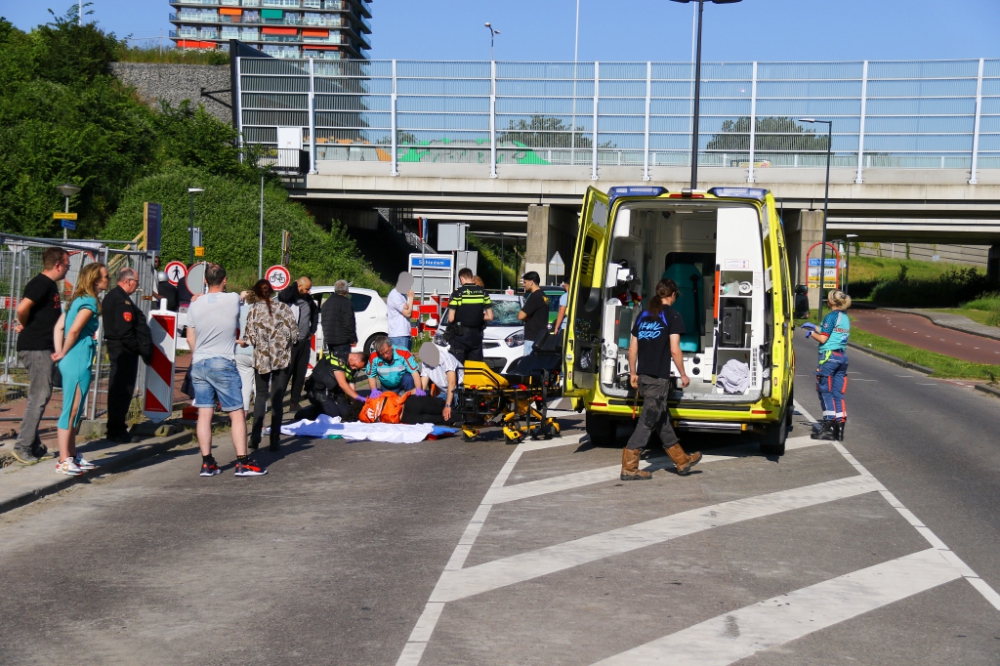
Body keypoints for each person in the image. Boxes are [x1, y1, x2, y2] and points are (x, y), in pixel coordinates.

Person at [186, 264, 265, 477]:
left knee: (204, 413)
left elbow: (190, 336)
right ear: (225, 280)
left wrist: (199, 355)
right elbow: (245, 295)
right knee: (236, 413)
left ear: (204, 281)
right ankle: (242, 462)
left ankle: (207, 463)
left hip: (200, 363)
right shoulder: (231, 299)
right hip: (223, 362)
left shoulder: (195, 305)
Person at [620, 279, 702, 480]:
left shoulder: (643, 315)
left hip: (645, 378)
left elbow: (632, 349)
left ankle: (682, 461)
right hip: (658, 379)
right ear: (673, 295)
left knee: (662, 421)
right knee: (647, 422)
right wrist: (683, 373)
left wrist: (633, 373)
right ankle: (629, 468)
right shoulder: (673, 316)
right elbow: (675, 349)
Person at [51, 263, 110, 476]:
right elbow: (74, 330)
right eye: (106, 276)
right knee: (72, 409)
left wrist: (60, 352)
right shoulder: (90, 303)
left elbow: (59, 327)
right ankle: (63, 459)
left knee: (76, 410)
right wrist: (63, 352)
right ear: (95, 280)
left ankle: (73, 455)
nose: (108, 279)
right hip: (78, 358)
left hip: (75, 357)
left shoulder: (76, 300)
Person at [12, 246, 69, 464]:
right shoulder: (41, 283)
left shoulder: (49, 285)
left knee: (40, 394)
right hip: (36, 348)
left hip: (42, 347)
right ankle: (23, 446)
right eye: (66, 264)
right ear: (57, 265)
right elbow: (21, 308)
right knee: (40, 395)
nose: (68, 269)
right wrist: (26, 325)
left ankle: (32, 443)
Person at [244, 280, 299, 452]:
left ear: (256, 293)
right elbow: (295, 335)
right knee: (277, 399)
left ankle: (255, 436)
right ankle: (275, 439)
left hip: (262, 360)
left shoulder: (253, 310)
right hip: (281, 360)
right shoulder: (285, 309)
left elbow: (250, 338)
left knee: (260, 396)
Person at [102, 267, 154, 443]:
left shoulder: (113, 296)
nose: (137, 286)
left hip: (119, 349)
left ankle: (116, 429)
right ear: (128, 281)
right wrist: (137, 348)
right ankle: (117, 431)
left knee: (119, 391)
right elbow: (124, 332)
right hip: (123, 351)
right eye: (136, 282)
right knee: (122, 391)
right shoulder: (120, 300)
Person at [802, 289, 852, 441]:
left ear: (830, 301)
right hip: (842, 357)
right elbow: (830, 332)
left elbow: (823, 338)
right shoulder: (845, 317)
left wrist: (812, 334)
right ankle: (839, 430)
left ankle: (828, 429)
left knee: (825, 392)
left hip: (828, 357)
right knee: (838, 394)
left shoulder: (830, 316)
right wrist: (815, 327)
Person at [278, 275, 318, 410]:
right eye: (307, 289)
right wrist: (294, 286)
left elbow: (314, 313)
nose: (309, 292)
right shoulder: (290, 297)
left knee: (300, 374)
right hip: (290, 343)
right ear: (299, 286)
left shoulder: (308, 299)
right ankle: (278, 402)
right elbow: (282, 297)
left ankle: (294, 402)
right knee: (286, 373)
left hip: (304, 341)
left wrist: (312, 330)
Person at [446, 268, 493, 364]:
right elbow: (490, 317)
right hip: (476, 335)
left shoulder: (457, 293)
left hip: (460, 336)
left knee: (457, 366)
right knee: (475, 367)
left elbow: (451, 318)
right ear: (471, 277)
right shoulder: (483, 293)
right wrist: (476, 315)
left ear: (461, 278)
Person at [406, 341, 460, 425]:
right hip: (444, 392)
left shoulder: (446, 358)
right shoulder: (425, 363)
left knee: (447, 410)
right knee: (431, 408)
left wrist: (447, 406)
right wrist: (405, 395)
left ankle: (456, 417)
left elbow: (452, 383)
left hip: (458, 389)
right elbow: (421, 387)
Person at [305, 352, 367, 419]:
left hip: (334, 392)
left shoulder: (353, 368)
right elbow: (342, 384)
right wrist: (359, 397)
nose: (354, 368)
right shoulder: (338, 359)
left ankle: (326, 407)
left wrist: (354, 405)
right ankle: (312, 412)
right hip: (318, 390)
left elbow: (351, 387)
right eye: (355, 365)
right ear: (355, 357)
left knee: (346, 414)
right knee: (333, 416)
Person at [321, 279, 357, 362]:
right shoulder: (345, 302)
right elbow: (349, 322)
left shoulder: (326, 303)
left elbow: (324, 321)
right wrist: (352, 338)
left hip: (329, 339)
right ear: (347, 291)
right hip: (342, 340)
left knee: (333, 364)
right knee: (342, 364)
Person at [235, 290, 257, 412]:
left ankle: (241, 418)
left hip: (241, 352)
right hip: (259, 352)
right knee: (261, 390)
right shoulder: (264, 312)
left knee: (244, 387)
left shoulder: (242, 310)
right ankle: (261, 423)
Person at [518, 271, 549, 356]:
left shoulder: (535, 296)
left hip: (532, 338)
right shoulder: (544, 296)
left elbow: (521, 316)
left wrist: (527, 318)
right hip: (540, 337)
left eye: (525, 282)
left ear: (531, 282)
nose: (523, 285)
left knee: (528, 365)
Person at [387, 272, 415, 351]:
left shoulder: (402, 295)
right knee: (401, 361)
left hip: (405, 334)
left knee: (406, 361)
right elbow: (408, 313)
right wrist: (411, 298)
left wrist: (408, 306)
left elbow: (409, 310)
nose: (410, 287)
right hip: (398, 335)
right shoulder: (395, 295)